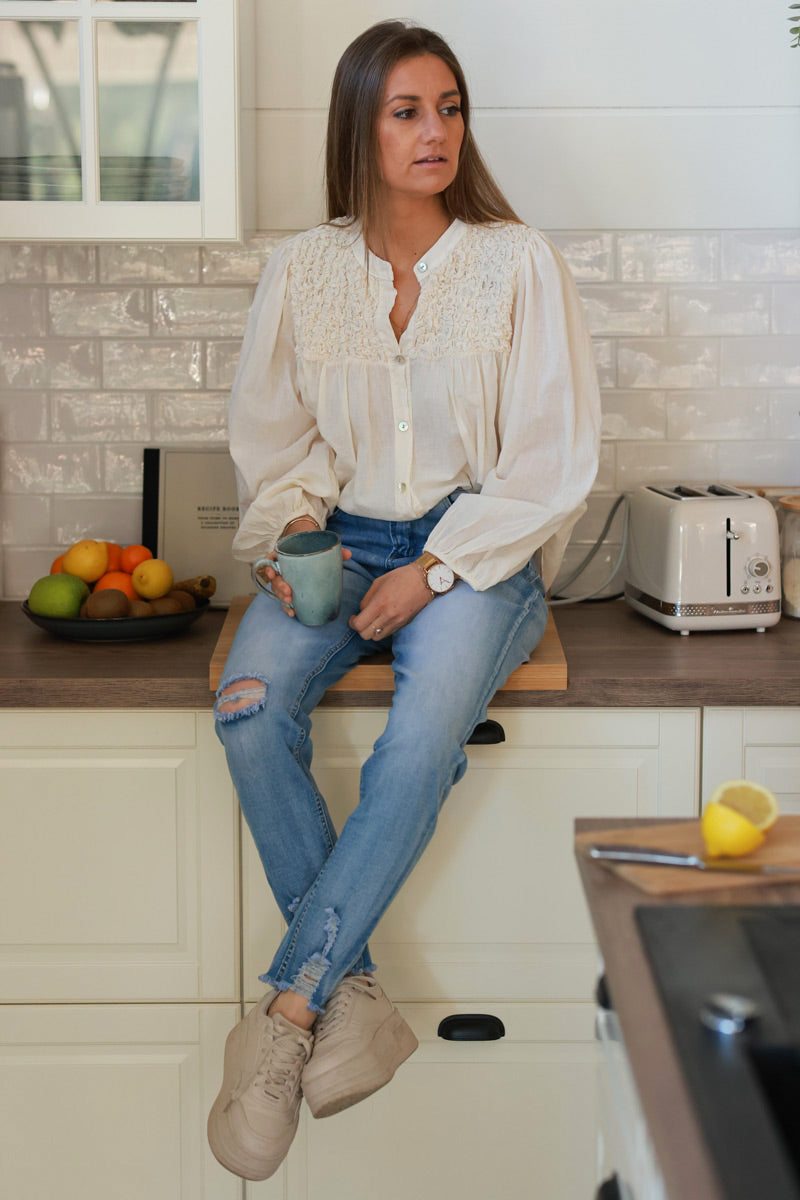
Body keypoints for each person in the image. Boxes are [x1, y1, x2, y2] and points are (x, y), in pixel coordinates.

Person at [208, 17, 600, 1183]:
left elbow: (550, 459)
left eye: (449, 108)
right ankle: (355, 995)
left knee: (421, 734)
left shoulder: (514, 260)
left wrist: (433, 571)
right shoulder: (305, 266)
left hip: (478, 545)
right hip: (339, 536)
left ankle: (289, 1012)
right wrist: (290, 533)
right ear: (358, 126)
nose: (435, 132)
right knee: (243, 699)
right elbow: (275, 442)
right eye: (405, 111)